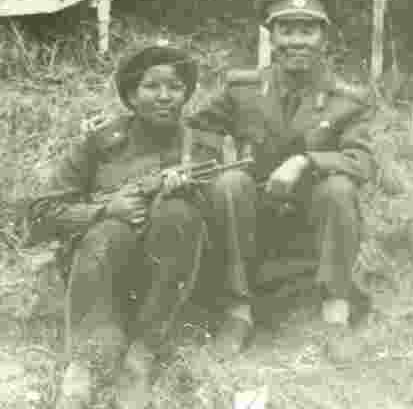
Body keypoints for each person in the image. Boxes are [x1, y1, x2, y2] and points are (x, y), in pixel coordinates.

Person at [24, 42, 249, 409]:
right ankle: (83, 364)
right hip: (102, 276)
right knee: (107, 230)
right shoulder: (100, 143)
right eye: (151, 87)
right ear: (130, 94)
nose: (164, 97)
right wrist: (104, 208)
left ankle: (142, 356)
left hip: (171, 279)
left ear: (187, 95)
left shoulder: (203, 148)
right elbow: (40, 214)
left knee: (178, 212)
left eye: (175, 87)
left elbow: (222, 219)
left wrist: (184, 196)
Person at [187, 0, 377, 365]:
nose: (296, 42)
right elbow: (199, 125)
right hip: (250, 216)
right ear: (270, 36)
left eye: (307, 30)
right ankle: (238, 311)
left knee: (340, 188)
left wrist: (306, 161)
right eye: (286, 30)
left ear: (325, 37)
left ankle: (336, 311)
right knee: (231, 181)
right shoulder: (243, 89)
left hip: (312, 220)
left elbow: (363, 161)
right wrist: (208, 170)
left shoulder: (348, 100)